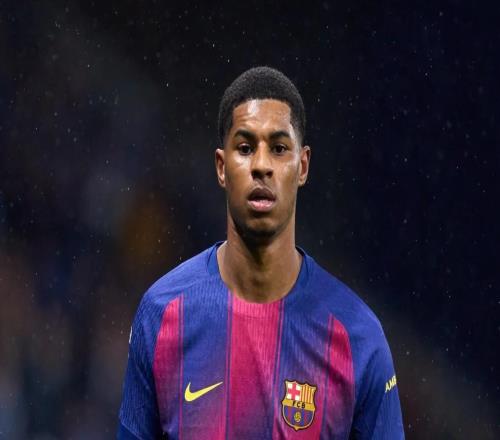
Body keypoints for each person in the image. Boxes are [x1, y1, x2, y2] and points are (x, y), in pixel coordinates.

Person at [117, 66, 404, 439]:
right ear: (222, 167)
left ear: (302, 166)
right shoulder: (161, 314)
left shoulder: (358, 336)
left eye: (279, 149)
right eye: (245, 147)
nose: (262, 166)